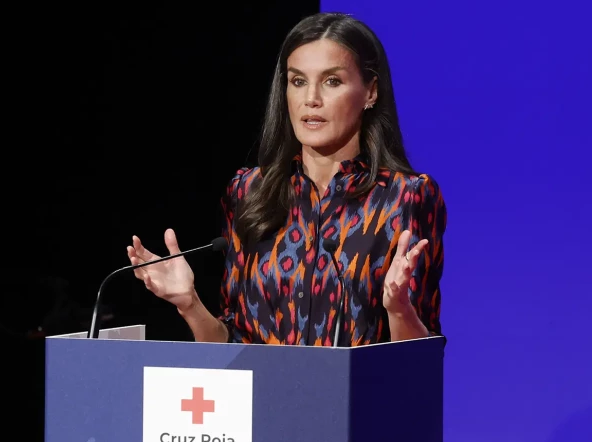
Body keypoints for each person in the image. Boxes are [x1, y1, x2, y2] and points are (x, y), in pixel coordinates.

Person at [127, 12, 447, 346]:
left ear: (370, 92)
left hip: (357, 397)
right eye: (297, 81)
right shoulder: (250, 191)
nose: (312, 98)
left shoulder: (405, 197)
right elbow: (232, 345)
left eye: (332, 81)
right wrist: (189, 303)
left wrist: (398, 310)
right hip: (263, 396)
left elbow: (418, 361)